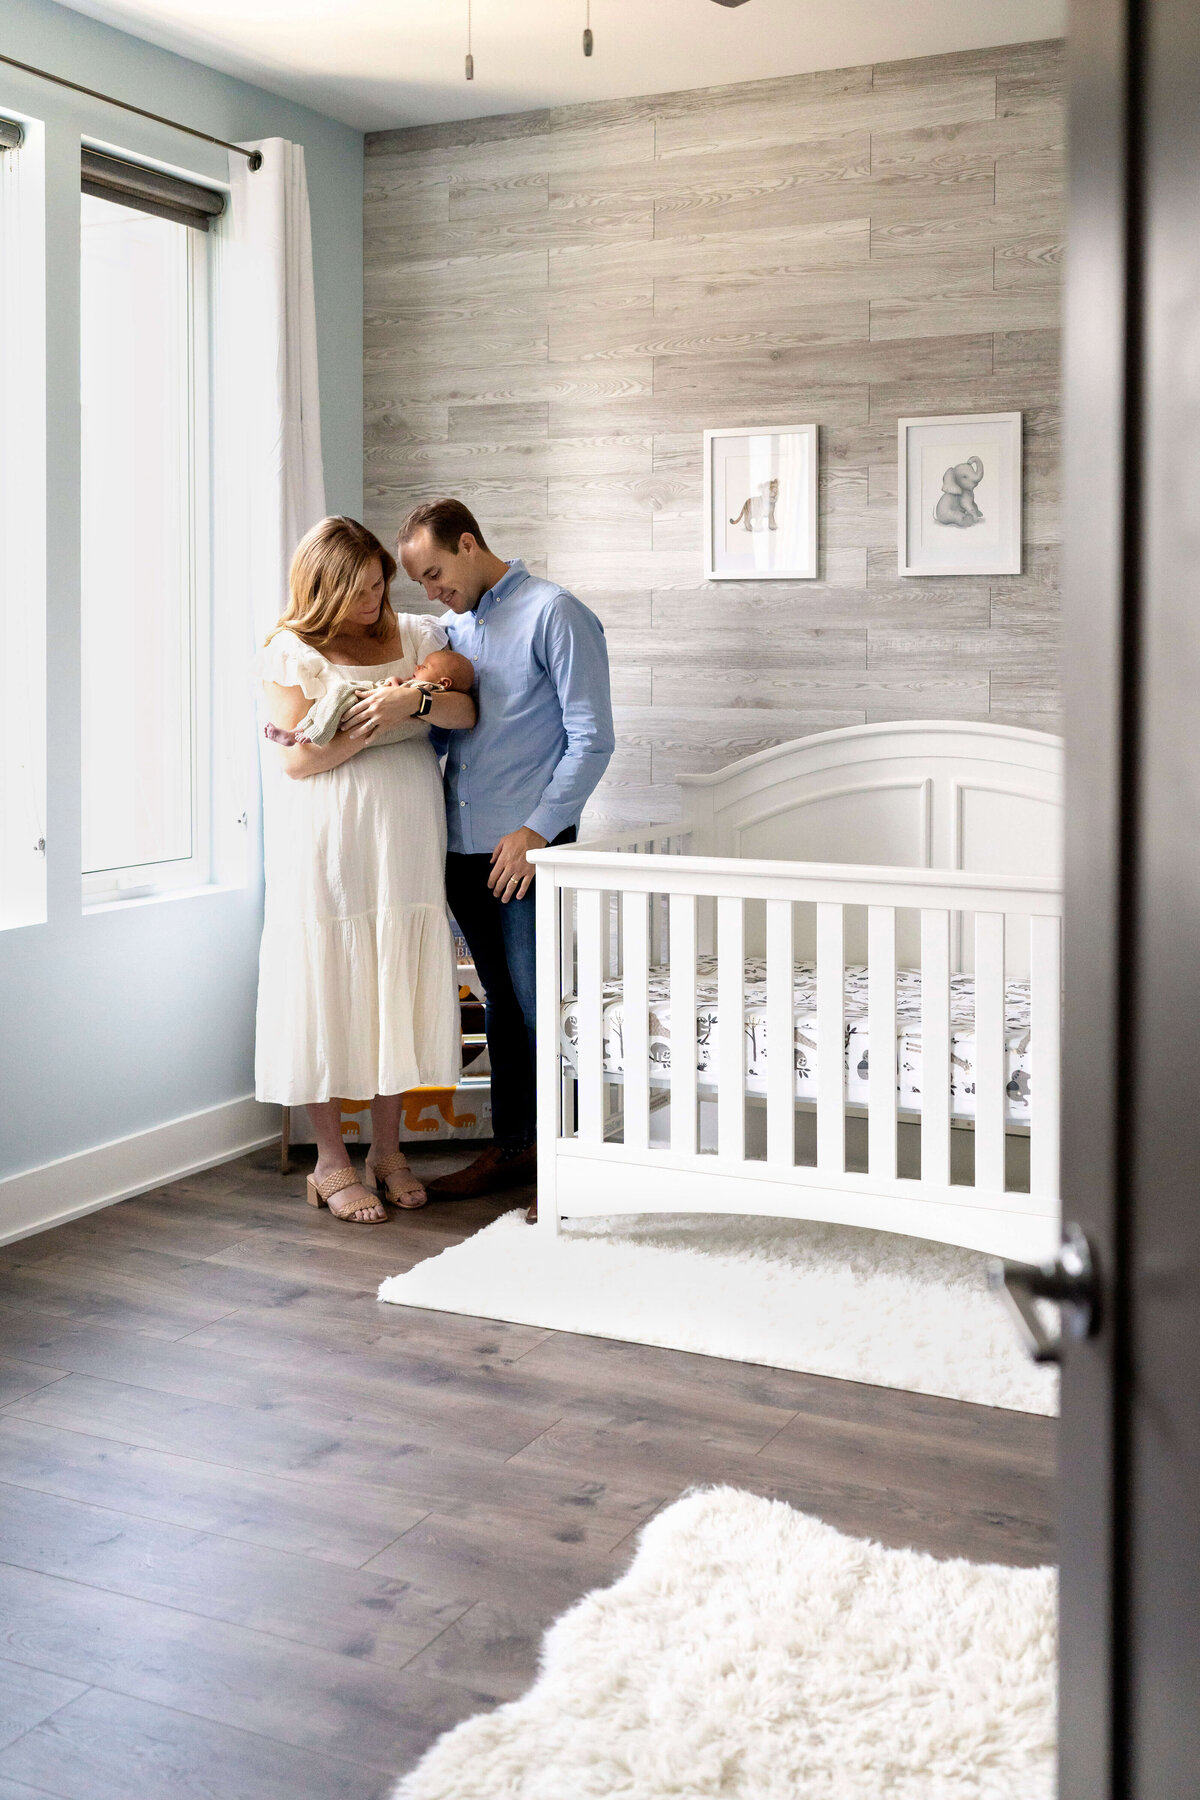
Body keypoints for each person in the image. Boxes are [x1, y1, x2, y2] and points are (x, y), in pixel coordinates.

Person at [396, 498, 614, 1220]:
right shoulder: (450, 635)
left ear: (467, 544)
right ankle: (515, 1147)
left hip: (527, 851)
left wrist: (540, 830)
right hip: (460, 850)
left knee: (541, 1006)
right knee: (499, 1006)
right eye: (421, 583)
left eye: (434, 574)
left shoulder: (556, 614)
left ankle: (566, 1159)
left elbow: (592, 738)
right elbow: (452, 740)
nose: (432, 592)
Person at [256, 516, 476, 1223]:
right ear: (322, 589)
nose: (371, 602)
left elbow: (465, 712)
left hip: (406, 835)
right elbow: (296, 759)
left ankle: (388, 1149)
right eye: (356, 593)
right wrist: (384, 726)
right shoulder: (293, 650)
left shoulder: (415, 636)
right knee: (327, 980)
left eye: (378, 586)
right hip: (328, 836)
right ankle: (329, 1161)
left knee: (394, 982)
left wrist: (412, 702)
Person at [263, 647, 474, 747]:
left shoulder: (431, 689)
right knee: (327, 704)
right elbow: (399, 690)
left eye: (425, 666)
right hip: (374, 698)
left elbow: (406, 699)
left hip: (370, 703)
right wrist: (394, 683)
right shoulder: (421, 686)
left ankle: (316, 732)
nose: (418, 666)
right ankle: (299, 730)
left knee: (341, 691)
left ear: (444, 683)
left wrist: (404, 694)